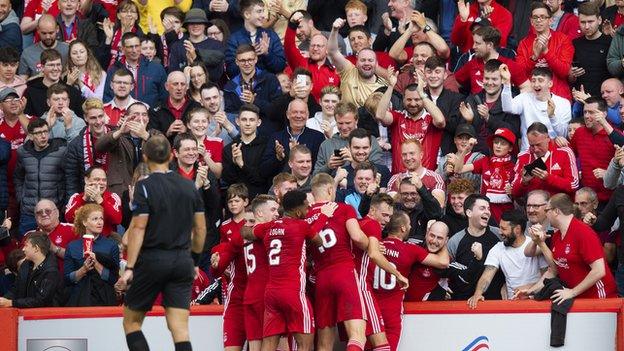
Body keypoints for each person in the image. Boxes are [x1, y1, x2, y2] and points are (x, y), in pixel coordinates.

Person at [116, 134, 206, 351]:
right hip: (182, 260)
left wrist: (129, 267)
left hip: (154, 260)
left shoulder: (144, 187)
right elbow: (201, 229)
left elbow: (138, 228)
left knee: (131, 322)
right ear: (170, 156)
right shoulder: (189, 186)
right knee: (180, 329)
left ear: (145, 157)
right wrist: (194, 261)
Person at [308, 173, 407, 351]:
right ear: (331, 189)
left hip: (321, 278)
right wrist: (373, 245)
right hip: (351, 280)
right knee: (365, 339)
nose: (387, 220)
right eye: (384, 215)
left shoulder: (306, 218)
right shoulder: (348, 212)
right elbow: (360, 241)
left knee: (324, 344)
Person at [241, 190, 333, 350]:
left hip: (271, 294)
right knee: (305, 343)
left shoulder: (268, 227)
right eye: (306, 207)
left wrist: (246, 229)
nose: (308, 210)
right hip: (293, 292)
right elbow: (318, 241)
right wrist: (323, 217)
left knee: (269, 344)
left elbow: (247, 233)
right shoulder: (302, 225)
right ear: (298, 211)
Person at [519, 194, 617, 301]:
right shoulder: (557, 236)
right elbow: (553, 271)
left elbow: (599, 270)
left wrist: (572, 292)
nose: (546, 215)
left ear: (556, 211)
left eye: (547, 210)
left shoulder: (583, 232)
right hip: (578, 298)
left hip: (599, 297)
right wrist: (531, 291)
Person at [374, 215, 449, 350]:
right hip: (392, 309)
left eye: (440, 238)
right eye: (409, 224)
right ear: (403, 228)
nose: (410, 227)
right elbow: (443, 262)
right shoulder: (410, 249)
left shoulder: (375, 246)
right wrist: (445, 243)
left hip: (372, 306)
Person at [467, 209, 548, 308]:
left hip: (536, 303)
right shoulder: (497, 248)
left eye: (503, 229)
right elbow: (487, 275)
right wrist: (478, 294)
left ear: (517, 229)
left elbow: (547, 278)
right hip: (511, 304)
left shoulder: (535, 244)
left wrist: (530, 287)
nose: (500, 232)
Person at [375, 75, 446, 172]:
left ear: (423, 99)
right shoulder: (397, 117)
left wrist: (422, 93)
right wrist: (391, 87)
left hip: (425, 182)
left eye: (417, 99)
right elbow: (379, 115)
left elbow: (441, 121)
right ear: (403, 99)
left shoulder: (431, 120)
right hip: (399, 181)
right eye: (409, 99)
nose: (413, 104)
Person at [211, 184, 249, 351]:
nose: (233, 204)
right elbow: (222, 249)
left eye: (237, 200)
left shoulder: (250, 223)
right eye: (230, 201)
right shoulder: (225, 226)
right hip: (232, 277)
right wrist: (221, 262)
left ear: (246, 202)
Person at [95, 102, 162, 197]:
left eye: (144, 114)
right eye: (136, 115)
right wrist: (120, 132)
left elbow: (165, 152)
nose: (141, 118)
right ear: (126, 117)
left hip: (150, 191)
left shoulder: (155, 134)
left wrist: (146, 136)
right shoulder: (118, 135)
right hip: (121, 192)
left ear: (148, 118)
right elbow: (99, 147)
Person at [500, 64, 571, 151]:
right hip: (528, 152)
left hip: (552, 152)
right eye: (533, 81)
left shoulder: (563, 103)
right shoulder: (524, 98)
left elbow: (563, 134)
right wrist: (507, 84)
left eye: (540, 80)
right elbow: (507, 108)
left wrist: (552, 116)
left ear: (550, 83)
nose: (536, 84)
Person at [451, 128, 517, 223]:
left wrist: (512, 192)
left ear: (510, 148)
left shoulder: (514, 167)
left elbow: (519, 195)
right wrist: (466, 149)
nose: (498, 146)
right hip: (486, 213)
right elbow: (458, 169)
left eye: (502, 143)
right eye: (496, 142)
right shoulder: (485, 161)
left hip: (506, 215)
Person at [445, 194, 504, 300]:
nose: (487, 212)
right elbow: (446, 268)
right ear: (469, 212)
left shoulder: (499, 235)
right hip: (464, 304)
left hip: (494, 303)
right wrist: (443, 288)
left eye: (488, 209)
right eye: (482, 208)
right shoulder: (455, 240)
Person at [240, 195, 279, 351]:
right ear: (260, 214)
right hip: (265, 294)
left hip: (250, 295)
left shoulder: (247, 233)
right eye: (273, 209)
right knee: (278, 344)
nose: (277, 213)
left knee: (255, 346)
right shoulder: (267, 230)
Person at [14, 119, 67, 236]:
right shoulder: (22, 152)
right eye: (38, 133)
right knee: (26, 247)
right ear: (31, 136)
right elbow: (18, 177)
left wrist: (63, 202)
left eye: (46, 131)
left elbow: (68, 178)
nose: (43, 136)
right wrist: (21, 199)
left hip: (53, 210)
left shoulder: (61, 151)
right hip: (29, 211)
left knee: (54, 246)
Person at [458, 59, 521, 156]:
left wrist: (488, 118)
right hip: (474, 156)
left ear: (502, 80)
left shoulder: (511, 100)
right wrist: (469, 121)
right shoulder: (473, 99)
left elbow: (513, 131)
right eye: (486, 78)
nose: (490, 83)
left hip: (500, 159)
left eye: (494, 79)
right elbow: (461, 135)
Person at [64, 203, 119, 306]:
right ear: (85, 222)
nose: (100, 222)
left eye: (101, 219)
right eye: (95, 219)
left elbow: (113, 279)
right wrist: (83, 270)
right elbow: (67, 279)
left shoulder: (111, 245)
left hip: (104, 299)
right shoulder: (72, 246)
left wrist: (96, 264)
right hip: (79, 300)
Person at [516, 2, 574, 100]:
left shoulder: (563, 39)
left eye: (543, 17)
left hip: (558, 96)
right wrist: (534, 57)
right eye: (535, 17)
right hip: (532, 97)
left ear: (550, 20)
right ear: (531, 21)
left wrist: (546, 52)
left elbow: (564, 71)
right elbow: (520, 74)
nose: (538, 20)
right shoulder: (524, 43)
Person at [260, 99, 325, 180]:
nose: (298, 116)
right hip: (281, 188)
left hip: (308, 188)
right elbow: (264, 171)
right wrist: (278, 158)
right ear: (287, 114)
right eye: (295, 112)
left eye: (302, 112)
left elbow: (320, 169)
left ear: (307, 115)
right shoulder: (276, 137)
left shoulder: (317, 137)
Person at [329, 18, 388, 108]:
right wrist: (334, 30)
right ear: (356, 63)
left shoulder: (383, 58)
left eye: (360, 38)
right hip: (347, 119)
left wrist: (370, 63)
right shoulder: (348, 69)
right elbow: (332, 51)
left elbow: (392, 79)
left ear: (370, 40)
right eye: (352, 39)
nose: (356, 41)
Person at [511, 122, 579, 198]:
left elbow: (574, 185)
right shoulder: (523, 157)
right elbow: (514, 192)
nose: (536, 149)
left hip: (559, 207)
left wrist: (548, 178)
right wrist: (524, 182)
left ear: (548, 138)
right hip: (534, 207)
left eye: (539, 145)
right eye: (532, 145)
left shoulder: (564, 152)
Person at [454, 26, 529, 95]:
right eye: (474, 43)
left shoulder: (508, 65)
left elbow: (527, 87)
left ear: (490, 45)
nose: (473, 47)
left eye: (477, 43)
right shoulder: (472, 64)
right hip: (475, 107)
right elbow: (454, 83)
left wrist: (514, 104)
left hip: (500, 109)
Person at [314, 102, 382, 176]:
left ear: (356, 121)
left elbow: (379, 170)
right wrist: (328, 167)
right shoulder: (326, 145)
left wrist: (354, 161)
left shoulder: (370, 141)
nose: (344, 127)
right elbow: (315, 178)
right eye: (340, 123)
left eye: (348, 123)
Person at [285, 11, 341, 102]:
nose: (315, 48)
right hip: (302, 110)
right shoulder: (301, 63)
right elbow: (289, 47)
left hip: (325, 112)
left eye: (319, 46)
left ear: (327, 50)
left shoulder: (335, 72)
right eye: (312, 45)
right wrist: (292, 25)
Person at [570, 97, 615, 207]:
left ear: (603, 114)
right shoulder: (579, 133)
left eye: (591, 112)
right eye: (585, 112)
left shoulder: (614, 135)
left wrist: (609, 173)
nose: (586, 116)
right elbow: (571, 156)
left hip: (610, 198)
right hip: (586, 199)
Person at [103, 32, 168, 108]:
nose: (134, 50)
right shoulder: (114, 70)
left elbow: (165, 96)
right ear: (123, 49)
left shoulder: (156, 68)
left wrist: (156, 114)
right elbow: (107, 97)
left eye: (137, 46)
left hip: (150, 116)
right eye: (130, 47)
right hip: (123, 117)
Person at [225, 0, 286, 77]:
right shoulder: (234, 39)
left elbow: (280, 66)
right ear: (247, 14)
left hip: (268, 84)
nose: (264, 15)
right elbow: (230, 71)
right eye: (259, 11)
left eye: (263, 11)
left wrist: (267, 54)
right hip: (243, 86)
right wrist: (248, 55)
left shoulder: (271, 35)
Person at [0, 232, 61, 308]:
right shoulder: (25, 265)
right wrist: (3, 300)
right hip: (24, 314)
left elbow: (41, 301)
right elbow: (15, 289)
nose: (23, 249)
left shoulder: (51, 272)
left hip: (44, 317)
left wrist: (12, 303)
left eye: (26, 245)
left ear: (36, 249)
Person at [65, 98, 111, 196]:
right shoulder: (76, 145)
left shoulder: (116, 137)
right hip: (86, 196)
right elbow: (71, 179)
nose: (98, 122)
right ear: (85, 118)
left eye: (100, 116)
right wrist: (73, 204)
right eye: (93, 118)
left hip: (112, 196)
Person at [222, 104, 269, 198]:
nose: (248, 123)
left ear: (258, 122)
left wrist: (242, 165)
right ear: (237, 121)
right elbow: (228, 180)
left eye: (252, 120)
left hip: (260, 201)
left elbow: (261, 179)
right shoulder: (229, 148)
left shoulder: (266, 146)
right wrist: (234, 163)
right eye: (244, 119)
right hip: (236, 202)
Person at [223, 44, 282, 119]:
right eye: (242, 60)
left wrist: (255, 101)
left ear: (256, 59)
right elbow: (230, 114)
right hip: (240, 129)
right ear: (237, 62)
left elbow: (278, 111)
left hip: (266, 128)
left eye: (250, 60)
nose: (246, 64)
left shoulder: (270, 79)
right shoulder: (230, 86)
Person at [24, 49, 85, 119]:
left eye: (58, 64)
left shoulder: (72, 92)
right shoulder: (31, 91)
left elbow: (82, 119)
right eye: (51, 65)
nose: (55, 68)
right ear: (42, 67)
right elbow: (26, 119)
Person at [168, 8, 225, 81]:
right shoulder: (177, 46)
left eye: (199, 23)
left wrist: (195, 58)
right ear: (187, 26)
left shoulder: (216, 45)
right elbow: (172, 74)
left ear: (205, 25)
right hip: (184, 89)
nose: (195, 26)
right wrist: (186, 68)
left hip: (208, 89)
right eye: (192, 23)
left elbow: (216, 75)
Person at [386, 139, 446, 207]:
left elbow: (438, 206)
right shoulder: (395, 179)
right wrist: (400, 191)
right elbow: (389, 207)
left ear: (421, 155)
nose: (408, 158)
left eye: (412, 153)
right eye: (404, 154)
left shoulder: (435, 178)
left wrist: (421, 188)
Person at [65, 167, 123, 237]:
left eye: (104, 180)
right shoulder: (76, 197)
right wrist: (84, 199)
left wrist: (100, 200)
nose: (101, 183)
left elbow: (117, 220)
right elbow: (69, 219)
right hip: (80, 239)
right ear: (86, 180)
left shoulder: (112, 197)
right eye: (97, 179)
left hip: (106, 240)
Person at [569, 3, 611, 98]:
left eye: (590, 21)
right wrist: (571, 74)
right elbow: (570, 78)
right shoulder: (575, 43)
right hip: (579, 98)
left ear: (599, 20)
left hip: (604, 100)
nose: (586, 26)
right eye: (583, 22)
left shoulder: (610, 42)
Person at [147, 71, 201, 142]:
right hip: (165, 151)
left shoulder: (195, 107)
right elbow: (152, 141)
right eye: (175, 84)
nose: (179, 88)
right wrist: (167, 133)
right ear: (166, 86)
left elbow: (202, 132)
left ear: (187, 87)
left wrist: (187, 132)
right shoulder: (156, 109)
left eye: (182, 84)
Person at [26, 199, 75, 274]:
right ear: (35, 217)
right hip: (37, 282)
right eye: (39, 212)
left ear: (57, 213)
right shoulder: (29, 236)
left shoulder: (73, 230)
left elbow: (80, 258)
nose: (44, 214)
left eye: (48, 211)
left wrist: (55, 249)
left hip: (67, 281)